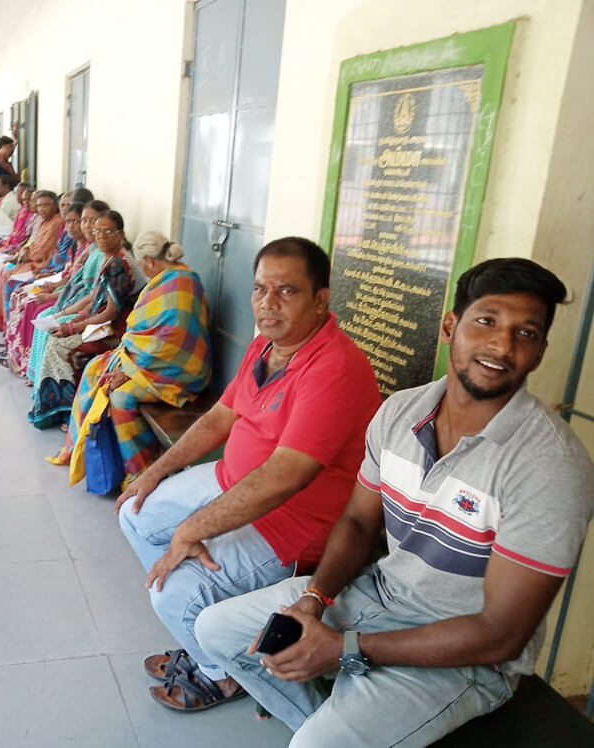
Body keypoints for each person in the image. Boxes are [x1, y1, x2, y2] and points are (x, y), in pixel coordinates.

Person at [195, 258, 594, 745]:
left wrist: (345, 649)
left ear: (539, 353)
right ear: (449, 327)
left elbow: (501, 634)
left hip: (467, 655)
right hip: (378, 595)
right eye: (486, 321)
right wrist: (315, 599)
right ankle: (332, 723)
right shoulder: (402, 412)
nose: (502, 346)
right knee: (215, 628)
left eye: (525, 333)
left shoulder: (550, 465)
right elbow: (359, 523)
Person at [115, 237, 381, 712]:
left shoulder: (334, 368)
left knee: (173, 594)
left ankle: (220, 675)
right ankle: (212, 639)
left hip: (292, 523)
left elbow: (285, 475)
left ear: (320, 300)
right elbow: (221, 416)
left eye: (286, 291)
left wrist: (191, 529)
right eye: (260, 289)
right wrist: (155, 472)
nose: (268, 303)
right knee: (135, 511)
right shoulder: (267, 344)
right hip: (230, 479)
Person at [48, 231, 212, 491]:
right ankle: (132, 460)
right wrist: (128, 366)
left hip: (179, 371)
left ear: (148, 260)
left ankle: (142, 470)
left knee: (121, 398)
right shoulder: (174, 277)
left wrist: (129, 371)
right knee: (96, 370)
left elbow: (168, 342)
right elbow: (149, 337)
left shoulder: (180, 283)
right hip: (156, 363)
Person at [28, 210, 138, 429]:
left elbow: (111, 313)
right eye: (97, 231)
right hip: (98, 322)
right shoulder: (108, 258)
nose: (101, 236)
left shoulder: (118, 264)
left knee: (58, 346)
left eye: (108, 232)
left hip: (112, 331)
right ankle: (56, 406)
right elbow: (95, 298)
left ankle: (69, 412)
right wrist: (80, 316)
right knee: (54, 336)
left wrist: (73, 327)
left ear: (120, 234)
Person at [25, 200, 109, 384]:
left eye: (92, 220)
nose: (87, 225)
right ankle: (37, 377)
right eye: (84, 220)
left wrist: (63, 313)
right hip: (74, 300)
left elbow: (93, 297)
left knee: (50, 325)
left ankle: (47, 384)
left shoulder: (106, 255)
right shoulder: (92, 248)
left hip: (89, 310)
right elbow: (73, 278)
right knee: (43, 317)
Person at [4, 201, 86, 374]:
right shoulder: (75, 245)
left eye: (77, 221)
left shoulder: (89, 250)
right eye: (69, 221)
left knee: (32, 305)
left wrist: (50, 292)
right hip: (59, 285)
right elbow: (68, 276)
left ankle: (26, 362)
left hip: (70, 297)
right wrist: (52, 284)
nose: (71, 226)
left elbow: (80, 287)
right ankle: (14, 352)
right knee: (19, 293)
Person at [0, 190, 64, 334]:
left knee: (10, 282)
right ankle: (4, 324)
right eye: (39, 205)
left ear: (55, 206)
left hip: (43, 265)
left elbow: (42, 252)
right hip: (34, 260)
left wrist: (26, 253)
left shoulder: (57, 222)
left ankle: (11, 329)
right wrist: (24, 250)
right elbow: (34, 243)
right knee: (6, 274)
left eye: (46, 205)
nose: (42, 209)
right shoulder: (45, 221)